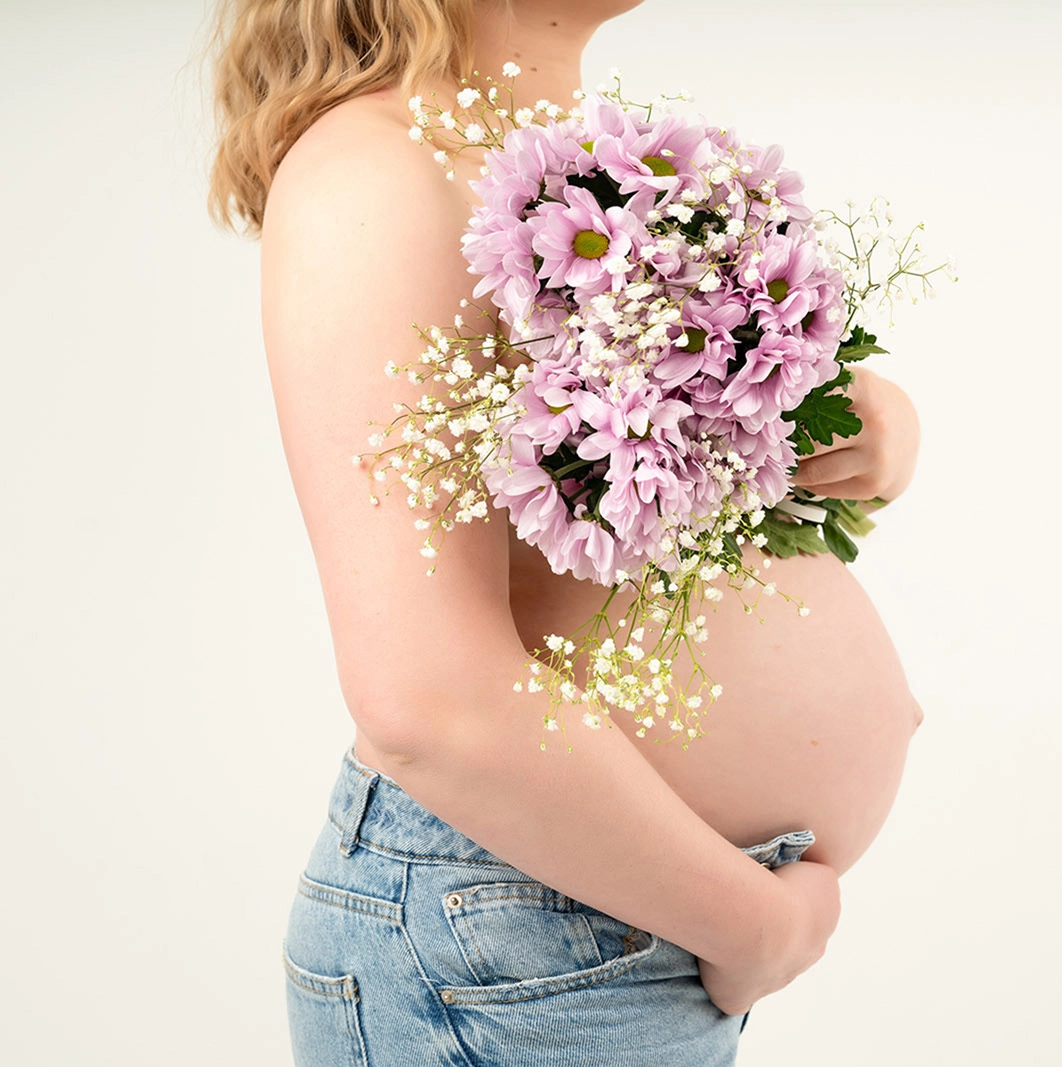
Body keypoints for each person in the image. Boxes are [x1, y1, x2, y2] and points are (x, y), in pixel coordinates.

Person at [206, 0, 925, 1062]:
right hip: (514, 946)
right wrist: (755, 923)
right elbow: (422, 698)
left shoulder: (584, 161)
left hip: (585, 934)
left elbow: (639, 509)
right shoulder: (375, 175)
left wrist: (870, 429)